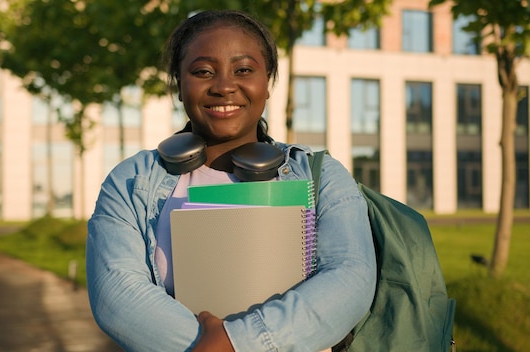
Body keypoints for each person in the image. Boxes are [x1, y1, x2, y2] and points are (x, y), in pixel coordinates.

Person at [86, 9, 376, 352]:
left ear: (266, 83)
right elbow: (117, 294)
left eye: (243, 70)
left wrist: (236, 344)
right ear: (180, 85)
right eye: (203, 71)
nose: (224, 86)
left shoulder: (322, 175)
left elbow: (350, 278)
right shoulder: (131, 181)